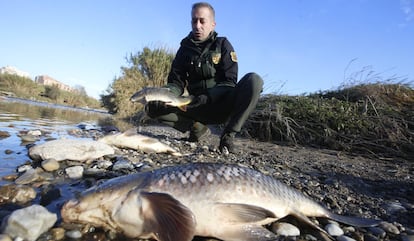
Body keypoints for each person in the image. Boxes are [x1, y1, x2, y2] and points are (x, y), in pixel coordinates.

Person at [145, 2, 263, 153]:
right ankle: (196, 127)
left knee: (254, 80)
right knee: (152, 107)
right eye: (194, 21)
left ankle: (228, 136)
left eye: (202, 21)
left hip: (222, 104)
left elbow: (229, 81)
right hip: (194, 105)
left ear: (212, 24)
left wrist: (208, 97)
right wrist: (166, 93)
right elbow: (176, 82)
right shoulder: (184, 49)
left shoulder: (223, 45)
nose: (197, 25)